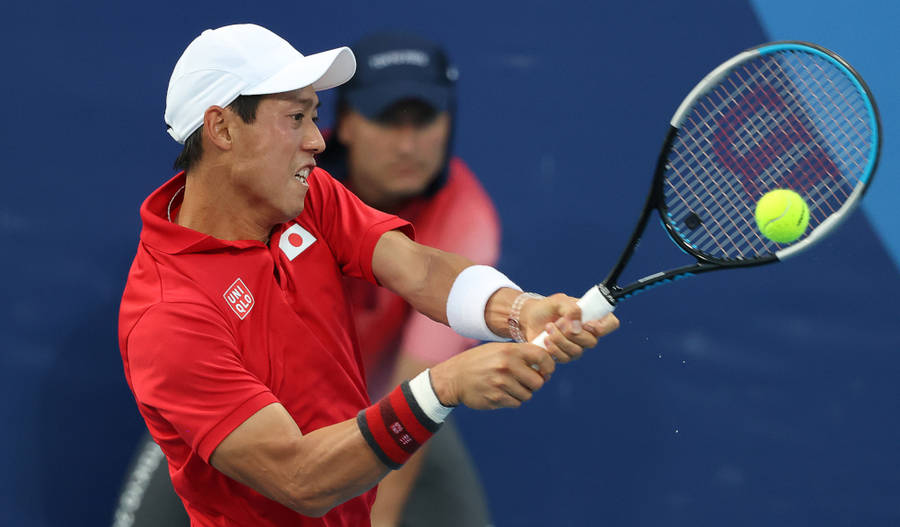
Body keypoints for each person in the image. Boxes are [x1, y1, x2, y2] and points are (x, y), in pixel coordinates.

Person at [118, 23, 619, 527]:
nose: (317, 140)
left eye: (314, 115)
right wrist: (442, 387)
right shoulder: (169, 317)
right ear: (222, 129)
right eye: (295, 117)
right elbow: (300, 479)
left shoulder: (309, 196)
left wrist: (520, 311)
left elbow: (419, 267)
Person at [317, 31, 500, 527]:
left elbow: (416, 394)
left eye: (423, 120)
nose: (408, 144)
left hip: (391, 404)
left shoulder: (466, 215)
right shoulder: (286, 192)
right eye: (386, 119)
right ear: (348, 124)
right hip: (256, 404)